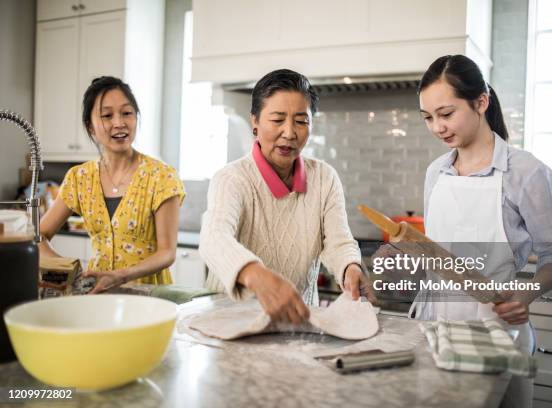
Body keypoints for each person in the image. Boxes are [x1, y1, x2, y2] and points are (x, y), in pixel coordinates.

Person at [415, 54, 552, 407]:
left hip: (497, 330)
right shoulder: (436, 172)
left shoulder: (526, 171)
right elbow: (436, 252)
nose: (437, 127)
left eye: (446, 114)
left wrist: (526, 295)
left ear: (481, 102)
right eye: (428, 117)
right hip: (436, 330)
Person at [199, 69, 373, 325]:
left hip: (298, 325)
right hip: (231, 323)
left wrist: (350, 267)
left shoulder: (324, 178)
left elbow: (338, 241)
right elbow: (214, 238)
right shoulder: (232, 179)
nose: (290, 133)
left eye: (301, 121)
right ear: (255, 123)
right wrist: (256, 275)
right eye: (278, 119)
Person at [39, 76, 185, 293]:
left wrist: (120, 276)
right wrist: (70, 271)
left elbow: (167, 253)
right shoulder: (79, 178)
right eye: (107, 115)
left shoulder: (161, 176)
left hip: (150, 297)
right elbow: (37, 237)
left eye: (127, 113)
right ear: (90, 127)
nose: (119, 123)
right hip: (98, 295)